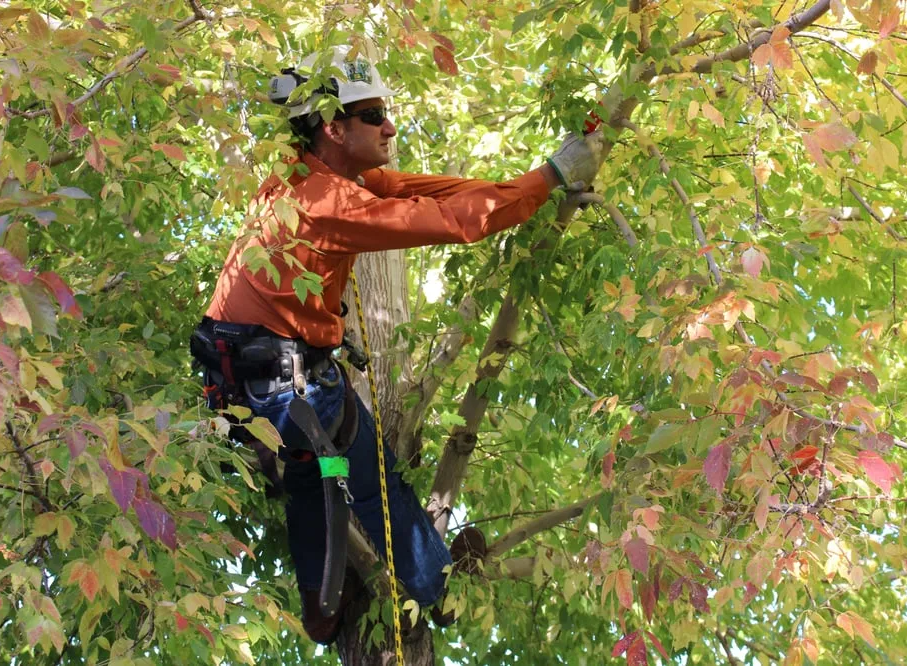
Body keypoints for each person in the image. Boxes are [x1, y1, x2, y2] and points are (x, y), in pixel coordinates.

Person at [190, 44, 600, 645]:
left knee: (316, 475)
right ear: (333, 126)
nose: (390, 126)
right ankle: (440, 589)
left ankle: (320, 603)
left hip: (244, 381)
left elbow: (430, 190)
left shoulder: (304, 176)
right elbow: (458, 221)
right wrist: (552, 178)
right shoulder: (327, 203)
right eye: (374, 115)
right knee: (362, 468)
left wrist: (528, 184)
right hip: (287, 388)